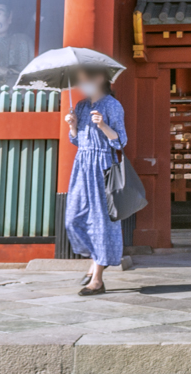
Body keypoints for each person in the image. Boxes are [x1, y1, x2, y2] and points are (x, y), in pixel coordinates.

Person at [62, 66, 127, 295]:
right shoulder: (80, 106)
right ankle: (96, 259)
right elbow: (77, 141)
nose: (82, 84)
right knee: (73, 218)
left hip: (102, 165)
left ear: (99, 78)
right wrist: (72, 125)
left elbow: (120, 142)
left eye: (85, 79)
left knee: (101, 221)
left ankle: (97, 280)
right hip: (82, 166)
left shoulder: (112, 105)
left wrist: (102, 125)